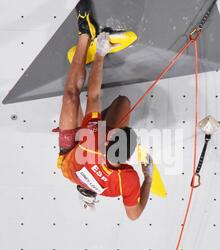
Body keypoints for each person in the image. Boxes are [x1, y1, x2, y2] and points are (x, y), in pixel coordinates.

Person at [55, 0, 153, 220]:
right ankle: (101, 119)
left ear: (107, 141)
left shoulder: (94, 144)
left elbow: (93, 95)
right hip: (92, 161)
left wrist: (100, 52)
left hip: (72, 159)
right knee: (123, 103)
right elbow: (134, 215)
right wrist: (147, 179)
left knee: (71, 97)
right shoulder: (126, 180)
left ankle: (84, 33)